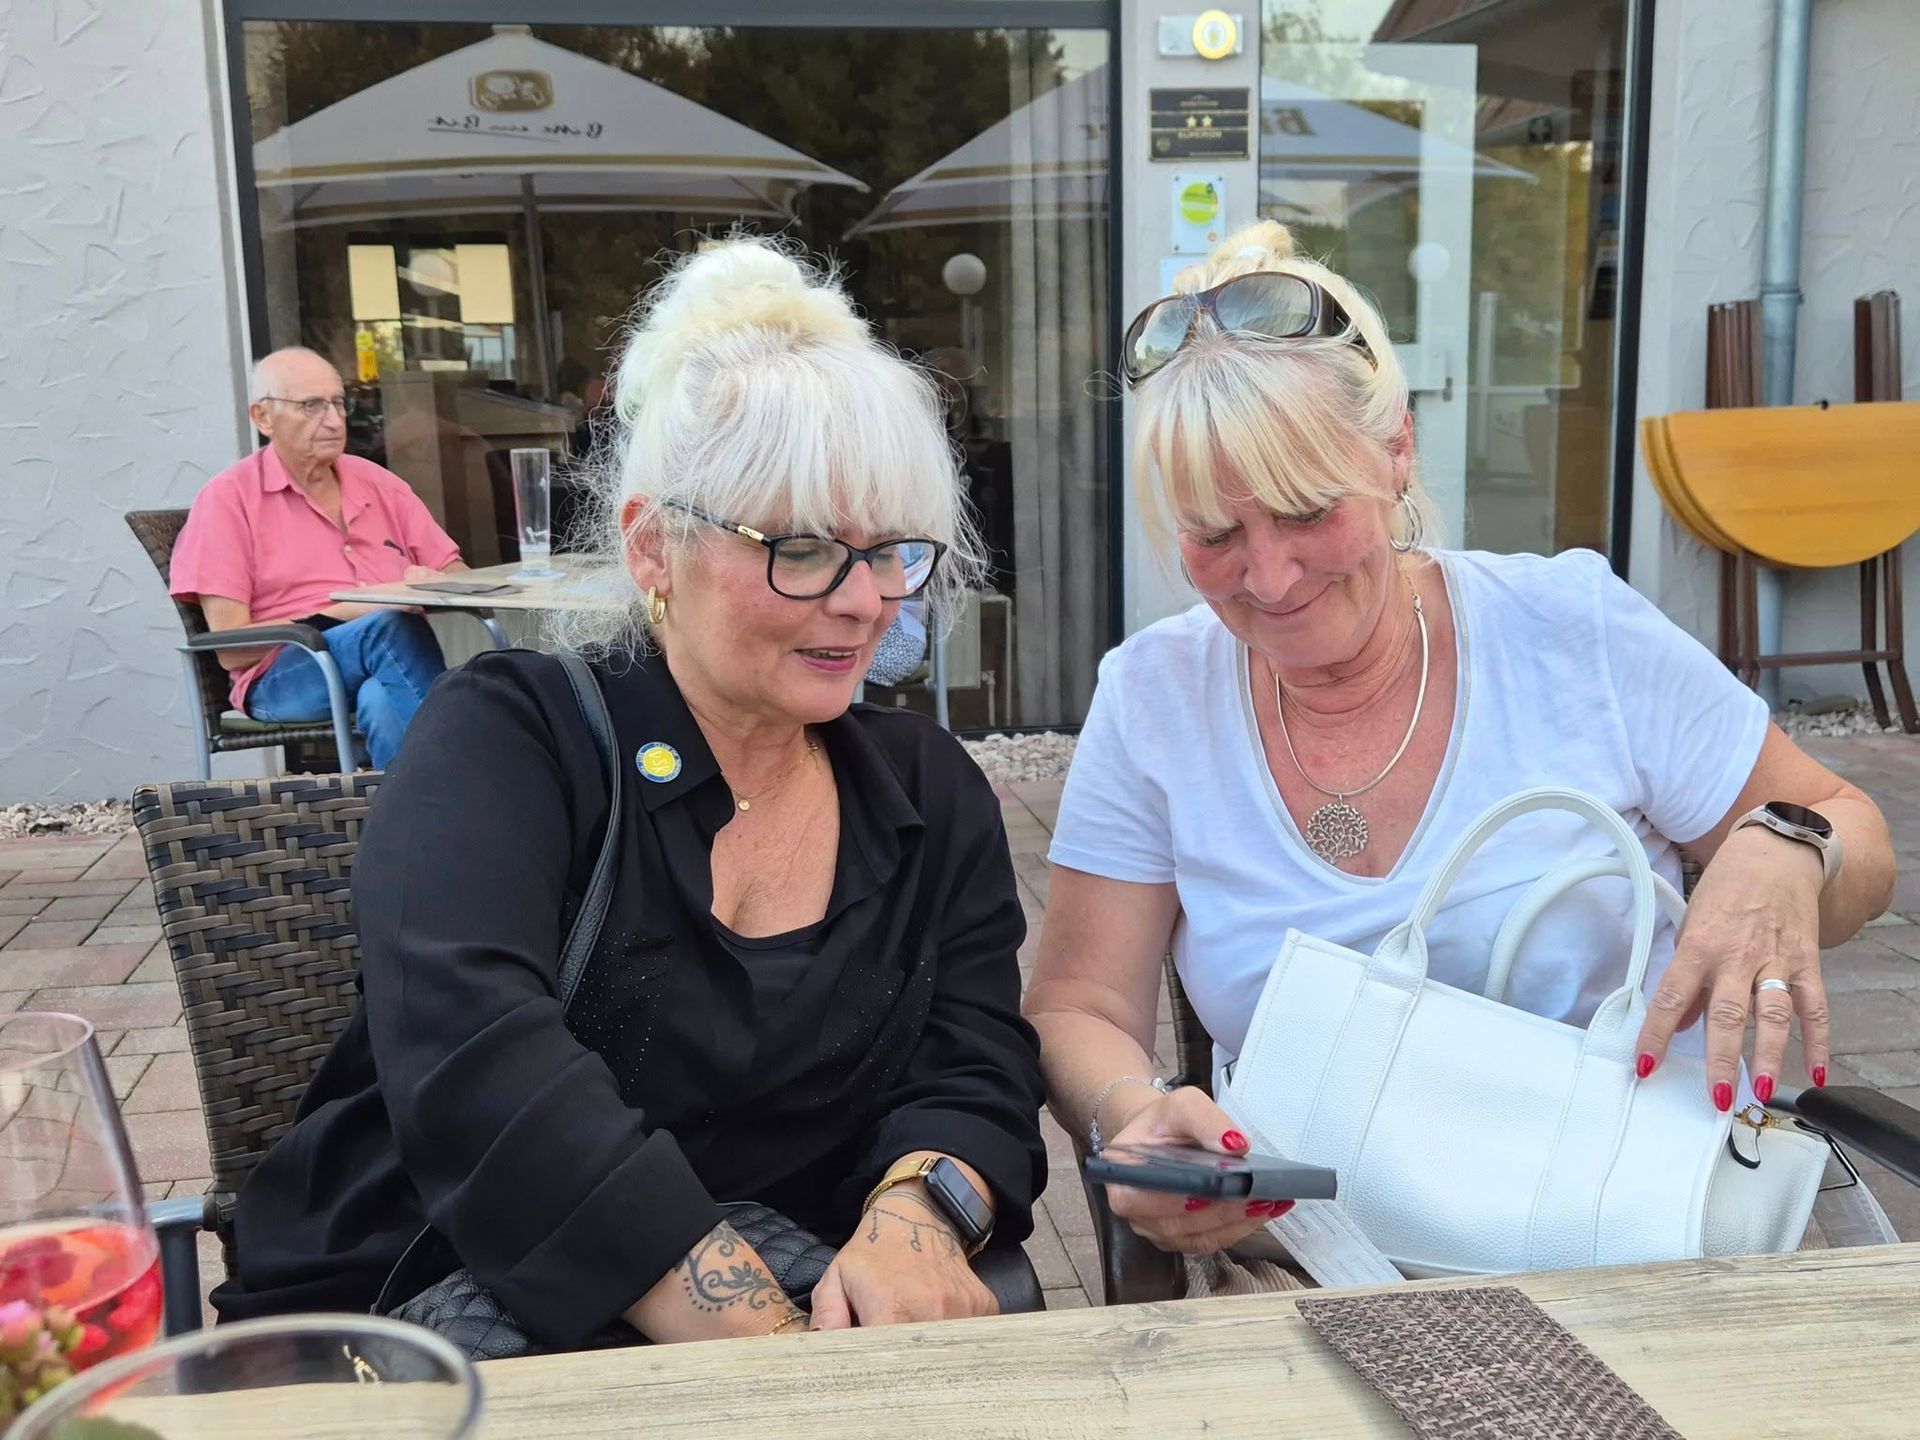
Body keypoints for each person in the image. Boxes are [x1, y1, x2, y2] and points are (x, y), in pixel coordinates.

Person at [211, 237, 1047, 1349]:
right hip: (432, 1317)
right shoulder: (512, 739)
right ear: (653, 547)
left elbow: (979, 1059)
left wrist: (919, 1223)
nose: (865, 602)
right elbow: (479, 1064)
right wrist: (773, 1359)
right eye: (802, 547)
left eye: (891, 549)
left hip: (799, 1296)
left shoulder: (929, 790)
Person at [1023, 221, 1894, 1260]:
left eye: (1307, 512)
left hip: (1632, 1242)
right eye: (1215, 534)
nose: (1270, 576)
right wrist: (1135, 1115)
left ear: (1396, 452)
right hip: (1320, 1256)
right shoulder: (1154, 698)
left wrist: (1785, 847)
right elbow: (1079, 1003)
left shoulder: (1572, 631)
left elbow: (1852, 832)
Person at [170, 347, 467, 769]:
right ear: (262, 417)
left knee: (381, 699)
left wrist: (436, 582)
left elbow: (459, 575)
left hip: (382, 664)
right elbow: (231, 649)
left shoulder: (378, 483)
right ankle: (465, 780)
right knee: (387, 626)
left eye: (338, 403)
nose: (333, 420)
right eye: (311, 405)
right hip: (285, 675)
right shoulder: (228, 500)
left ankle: (400, 809)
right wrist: (350, 610)